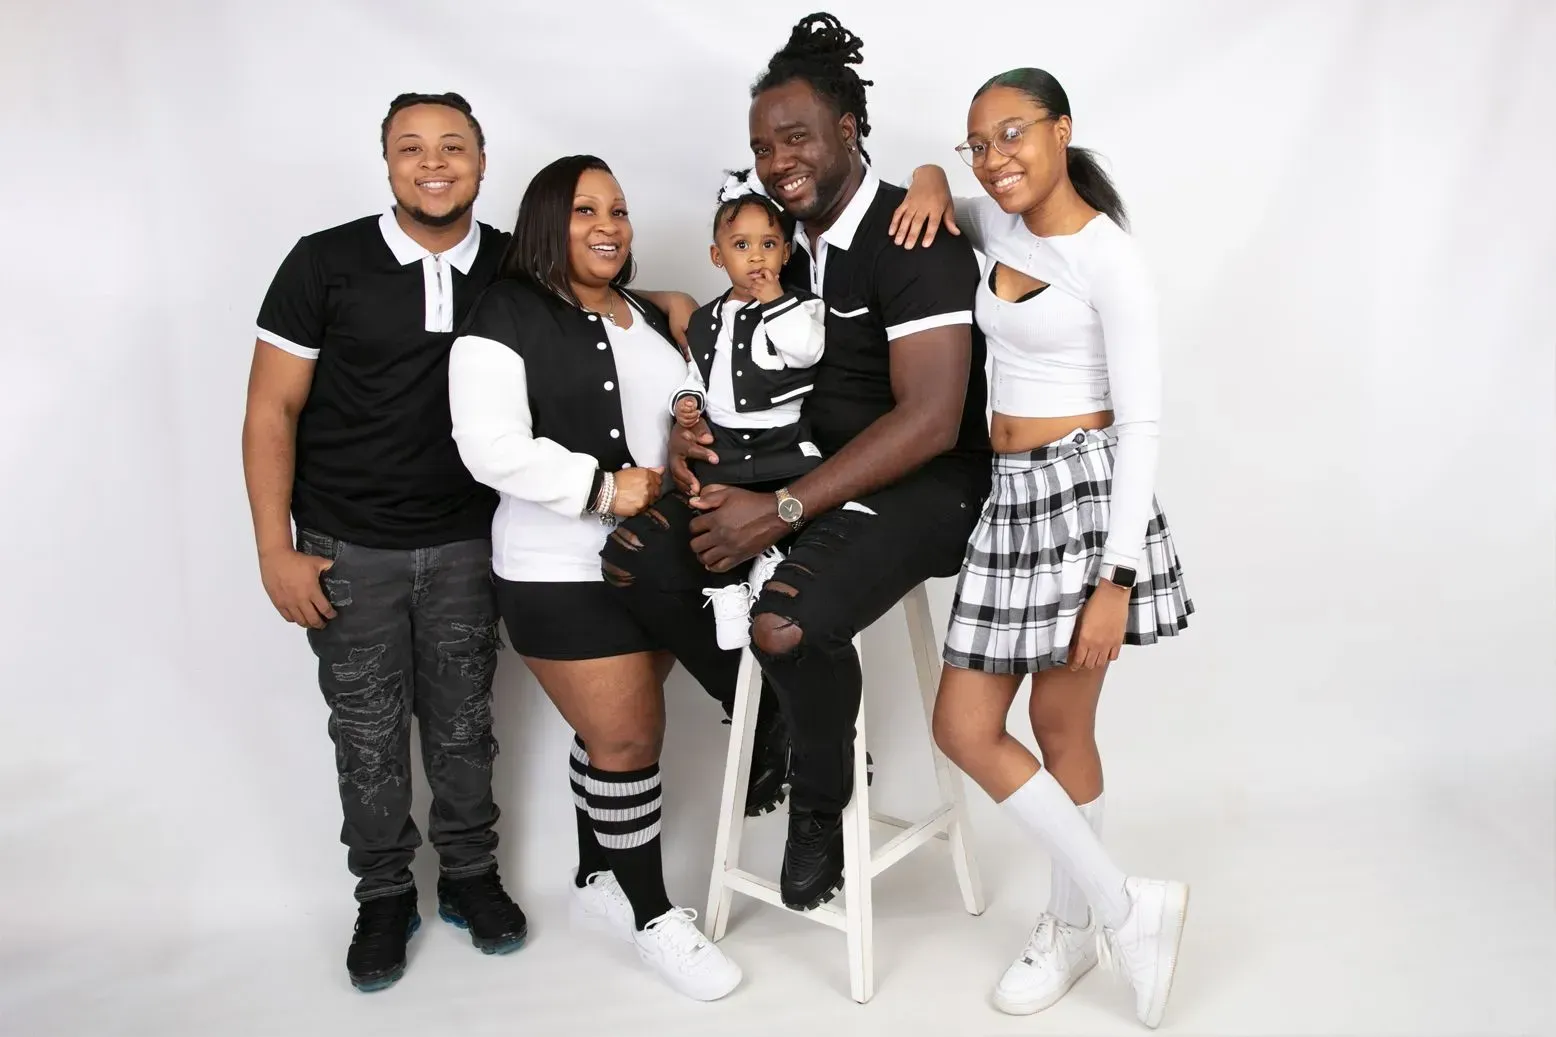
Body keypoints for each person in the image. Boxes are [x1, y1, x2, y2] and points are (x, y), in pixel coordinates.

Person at [602, 12, 992, 913]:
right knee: (634, 558)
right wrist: (696, 425)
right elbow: (722, 316)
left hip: (929, 485)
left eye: (796, 138)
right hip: (808, 464)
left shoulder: (912, 236)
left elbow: (932, 421)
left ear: (848, 130)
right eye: (761, 145)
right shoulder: (791, 239)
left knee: (783, 625)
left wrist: (779, 512)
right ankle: (781, 715)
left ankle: (822, 799)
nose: (778, 160)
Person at [888, 69, 1194, 1028]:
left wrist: (1117, 579)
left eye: (1011, 134)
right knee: (966, 725)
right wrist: (934, 181)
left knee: (1063, 730)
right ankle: (1122, 903)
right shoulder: (1000, 220)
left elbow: (1142, 426)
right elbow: (943, 191)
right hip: (1009, 497)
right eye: (978, 143)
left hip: (1087, 499)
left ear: (1063, 130)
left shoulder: (1110, 259)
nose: (994, 157)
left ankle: (1071, 927)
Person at [242, 92, 528, 992]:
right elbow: (270, 409)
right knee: (365, 736)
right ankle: (383, 893)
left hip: (470, 546)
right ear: (387, 162)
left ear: (482, 161)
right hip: (345, 549)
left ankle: (471, 875)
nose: (432, 162)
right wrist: (272, 549)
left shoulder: (520, 267)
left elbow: (612, 304)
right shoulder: (324, 264)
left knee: (464, 725)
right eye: (412, 148)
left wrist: (676, 301)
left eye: (452, 146)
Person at [447, 154, 744, 1002]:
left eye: (618, 209)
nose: (609, 225)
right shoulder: (506, 309)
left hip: (656, 569)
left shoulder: (652, 316)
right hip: (555, 570)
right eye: (585, 210)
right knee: (628, 739)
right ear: (549, 221)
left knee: (612, 739)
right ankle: (654, 916)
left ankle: (598, 878)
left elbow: (684, 419)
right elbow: (488, 443)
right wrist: (605, 488)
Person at [672, 168, 827, 649]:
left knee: (801, 502)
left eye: (768, 244)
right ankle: (725, 591)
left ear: (786, 253)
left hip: (784, 436)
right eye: (741, 246)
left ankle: (773, 560)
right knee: (711, 504)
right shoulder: (705, 319)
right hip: (728, 441)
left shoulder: (801, 307)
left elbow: (807, 352)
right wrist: (688, 402)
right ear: (718, 257)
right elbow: (698, 373)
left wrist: (775, 301)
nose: (756, 256)